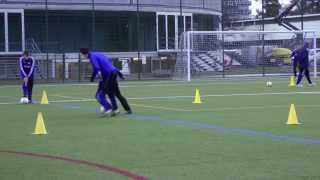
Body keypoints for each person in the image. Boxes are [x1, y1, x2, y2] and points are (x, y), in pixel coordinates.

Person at [80, 48, 132, 116]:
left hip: (108, 76)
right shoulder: (98, 54)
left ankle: (108, 109)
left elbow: (96, 68)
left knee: (100, 95)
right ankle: (123, 109)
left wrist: (92, 78)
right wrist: (120, 74)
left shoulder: (92, 57)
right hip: (113, 73)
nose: (81, 56)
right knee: (115, 93)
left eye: (81, 55)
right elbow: (110, 64)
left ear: (85, 54)